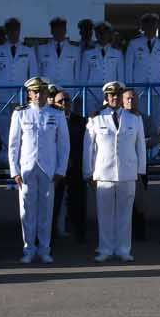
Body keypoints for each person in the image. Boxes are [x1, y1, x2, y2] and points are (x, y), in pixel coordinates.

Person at [8, 77, 69, 265]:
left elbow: (63, 144)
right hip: (26, 169)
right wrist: (14, 170)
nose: (38, 95)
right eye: (35, 92)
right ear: (29, 94)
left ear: (46, 93)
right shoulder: (21, 113)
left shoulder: (57, 113)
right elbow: (13, 145)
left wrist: (60, 169)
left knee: (46, 212)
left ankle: (44, 249)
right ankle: (28, 249)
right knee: (27, 211)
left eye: (42, 91)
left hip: (48, 169)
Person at [85, 81, 145, 263]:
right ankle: (105, 249)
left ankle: (123, 249)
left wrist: (140, 171)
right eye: (111, 95)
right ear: (106, 97)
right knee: (105, 215)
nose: (115, 98)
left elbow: (140, 146)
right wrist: (88, 172)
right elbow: (89, 148)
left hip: (127, 172)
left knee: (125, 214)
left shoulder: (134, 118)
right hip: (104, 172)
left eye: (118, 95)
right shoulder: (96, 118)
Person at [124, 13, 160, 142]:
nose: (150, 27)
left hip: (158, 88)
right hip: (139, 89)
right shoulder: (134, 44)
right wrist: (129, 87)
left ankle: (154, 149)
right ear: (143, 26)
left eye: (153, 24)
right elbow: (128, 67)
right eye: (147, 24)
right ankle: (140, 147)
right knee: (139, 119)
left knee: (156, 121)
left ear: (156, 26)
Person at [52, 87, 87, 244]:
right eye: (60, 101)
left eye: (67, 100)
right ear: (54, 103)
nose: (64, 103)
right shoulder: (50, 120)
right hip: (56, 168)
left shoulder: (81, 121)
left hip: (76, 167)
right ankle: (51, 235)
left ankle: (80, 234)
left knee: (78, 202)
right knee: (54, 203)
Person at [36, 17, 79, 93]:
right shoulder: (41, 50)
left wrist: (78, 93)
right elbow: (38, 72)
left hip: (68, 91)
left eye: (61, 29)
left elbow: (77, 74)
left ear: (65, 30)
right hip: (48, 91)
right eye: (56, 29)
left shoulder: (75, 50)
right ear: (51, 31)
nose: (59, 32)